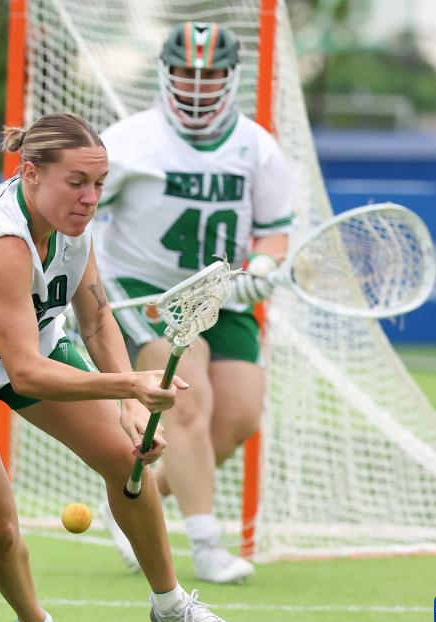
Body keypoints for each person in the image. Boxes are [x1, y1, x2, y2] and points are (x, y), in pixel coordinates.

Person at [0, 112, 254, 622]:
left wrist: (129, 404)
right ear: (30, 173)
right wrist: (130, 381)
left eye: (99, 183)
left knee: (126, 457)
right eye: (77, 182)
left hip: (25, 340)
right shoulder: (1, 243)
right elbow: (26, 374)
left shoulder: (71, 225)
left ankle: (171, 605)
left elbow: (96, 320)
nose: (90, 198)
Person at [96, 21, 295, 584]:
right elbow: (79, 203)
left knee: (237, 418)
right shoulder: (129, 140)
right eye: (187, 71)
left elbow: (273, 232)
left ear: (232, 77)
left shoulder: (257, 147)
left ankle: (130, 495)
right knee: (186, 404)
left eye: (211, 73)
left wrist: (263, 268)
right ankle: (206, 545)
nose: (199, 84)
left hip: (222, 293)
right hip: (149, 290)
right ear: (166, 73)